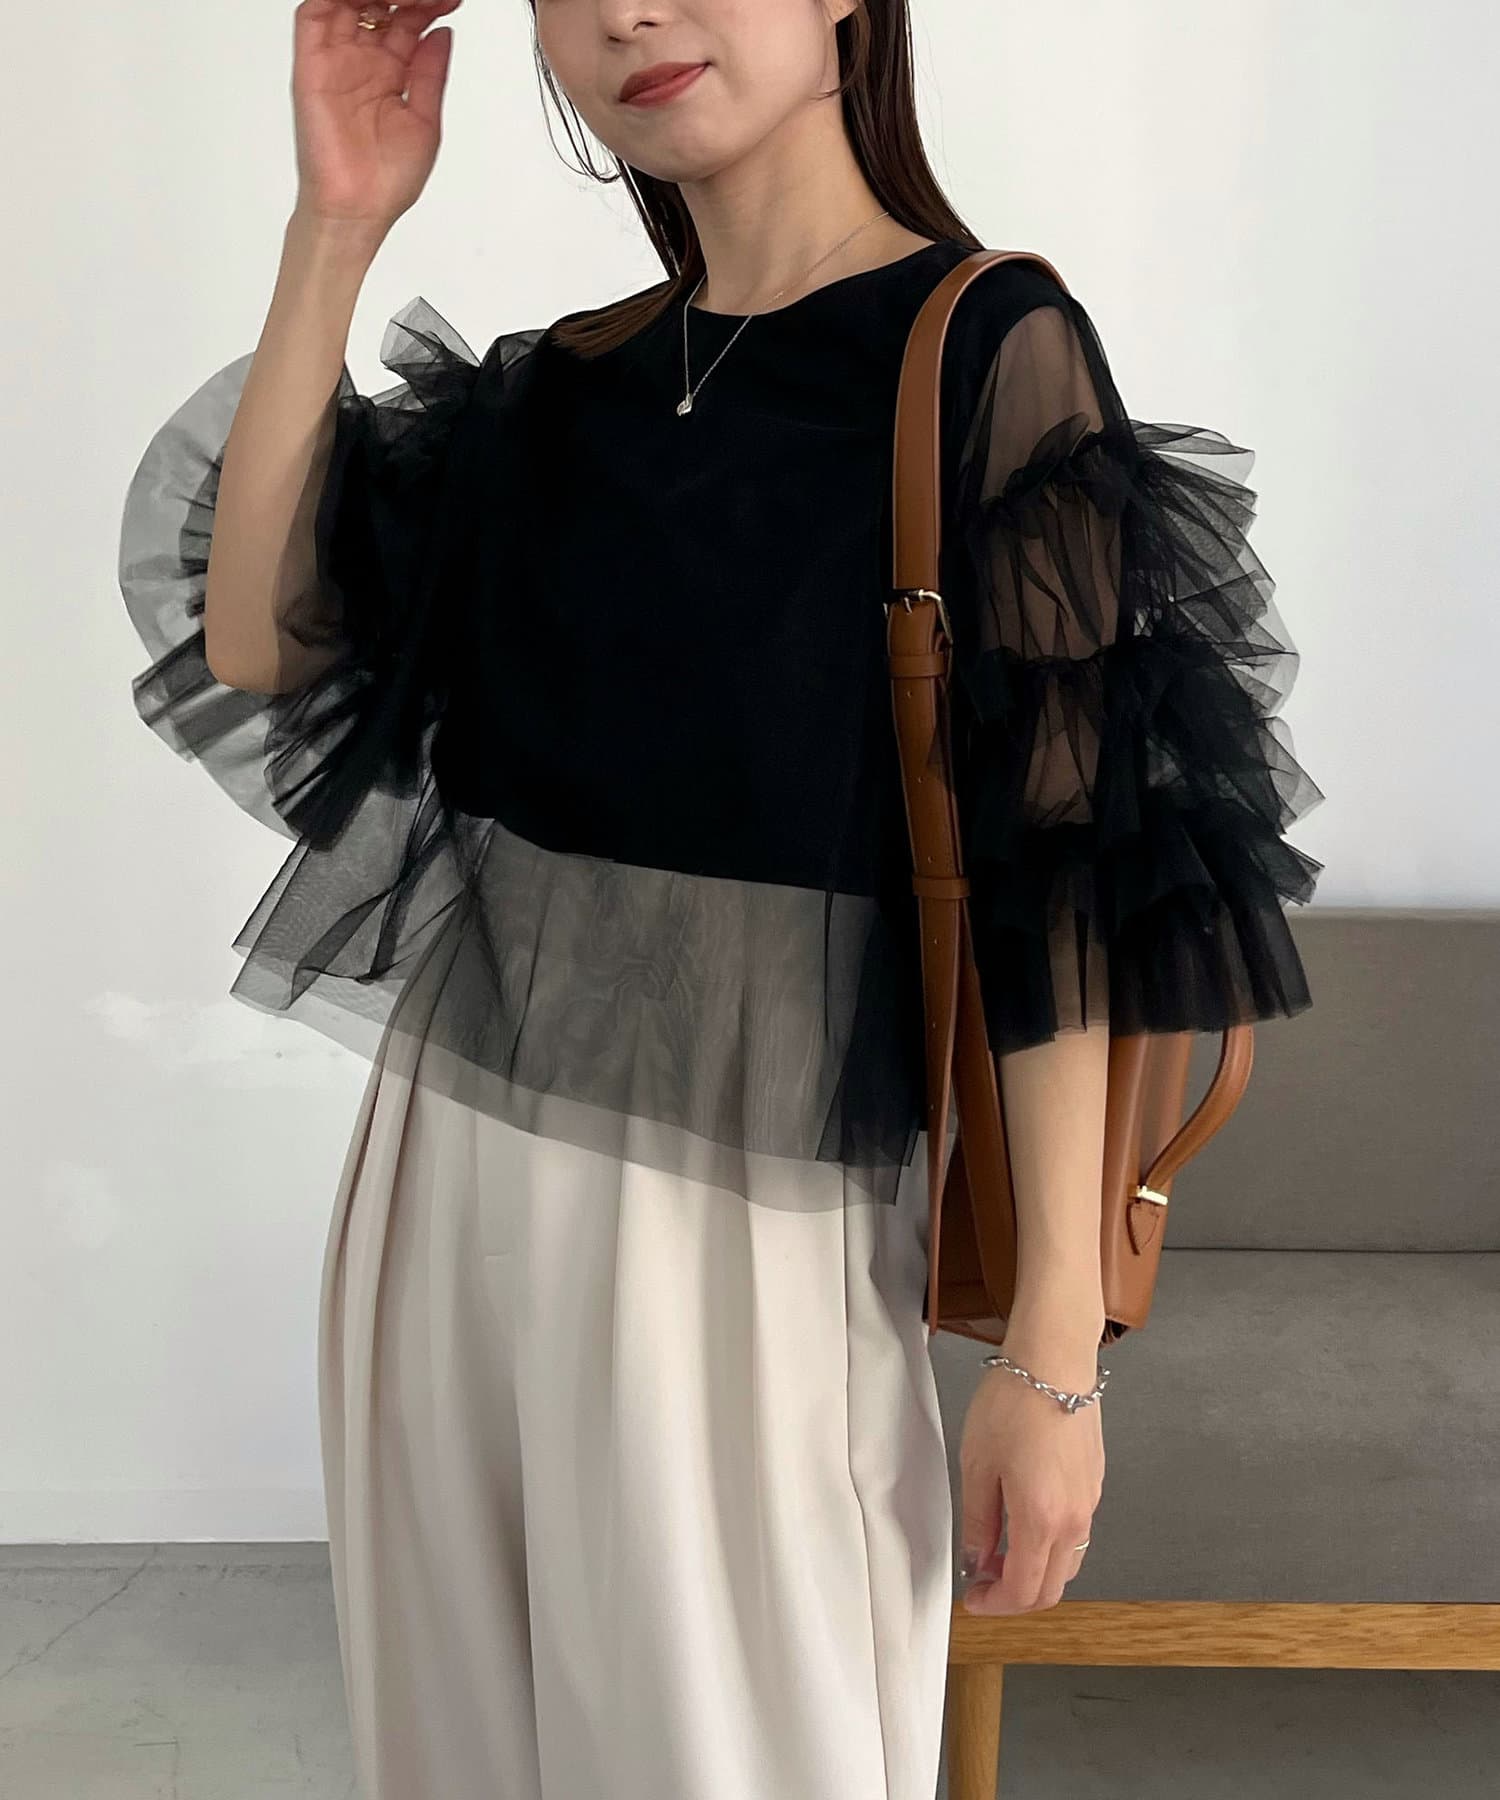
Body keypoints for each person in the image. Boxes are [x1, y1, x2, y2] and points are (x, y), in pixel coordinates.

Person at [117, 2, 1324, 1795]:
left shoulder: (986, 348)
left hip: (749, 1230)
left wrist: (1055, 1358)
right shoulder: (561, 386)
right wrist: (338, 226)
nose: (628, 13)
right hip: (440, 1191)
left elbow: (1063, 873)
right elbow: (258, 639)